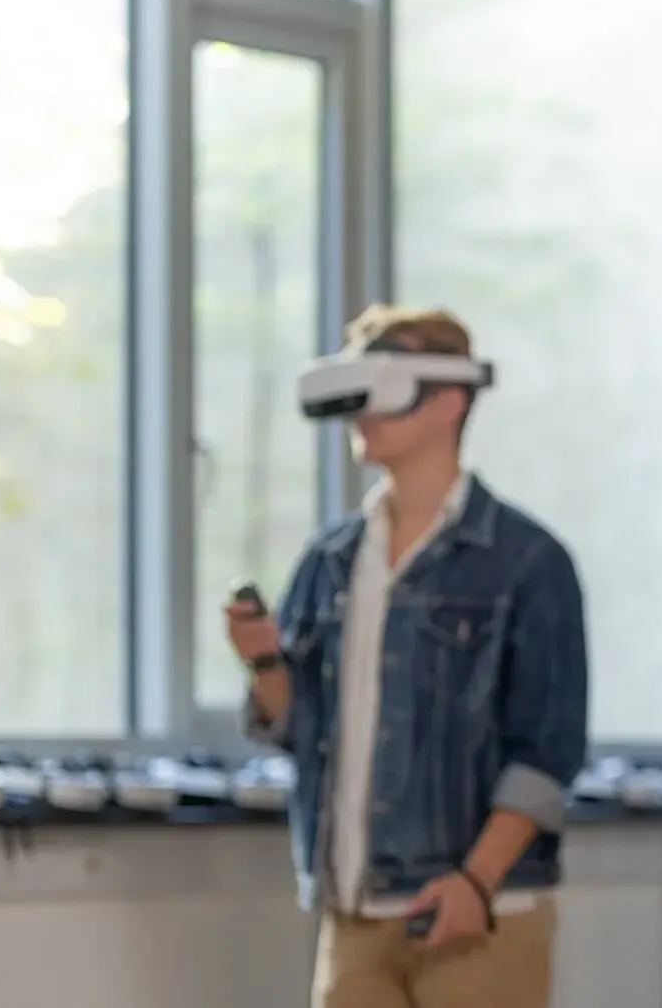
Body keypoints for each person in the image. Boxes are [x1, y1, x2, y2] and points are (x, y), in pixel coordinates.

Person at [226, 304, 589, 1008]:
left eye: (381, 383)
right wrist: (264, 662)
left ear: (449, 399)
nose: (362, 412)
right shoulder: (330, 561)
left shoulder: (528, 563)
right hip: (354, 910)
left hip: (482, 913)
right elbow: (302, 730)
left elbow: (547, 751)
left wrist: (475, 882)